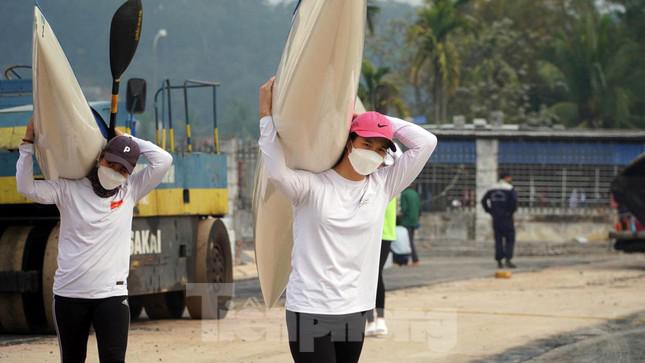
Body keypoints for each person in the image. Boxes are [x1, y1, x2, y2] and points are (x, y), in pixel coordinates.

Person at [258, 77, 437, 363]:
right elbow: (277, 173)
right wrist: (266, 119)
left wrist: (371, 119)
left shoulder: (383, 186)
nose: (374, 154)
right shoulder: (311, 187)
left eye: (381, 149)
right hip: (309, 309)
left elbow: (426, 142)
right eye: (367, 143)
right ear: (349, 141)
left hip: (354, 310)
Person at [17, 119, 173, 363]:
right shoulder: (68, 190)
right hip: (69, 295)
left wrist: (129, 141)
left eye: (122, 170)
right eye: (111, 163)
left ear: (130, 173)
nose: (115, 172)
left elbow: (164, 160)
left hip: (111, 296)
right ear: (100, 158)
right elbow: (25, 187)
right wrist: (27, 143)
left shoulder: (131, 190)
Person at [365, 198, 396, 337]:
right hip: (365, 233)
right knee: (365, 276)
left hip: (384, 234)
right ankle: (370, 319)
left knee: (376, 274)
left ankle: (380, 318)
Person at [481, 172, 518, 269]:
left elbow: (483, 200)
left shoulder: (492, 188)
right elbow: (514, 202)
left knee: (498, 239)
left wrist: (489, 211)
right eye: (510, 177)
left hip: (496, 218)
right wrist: (511, 212)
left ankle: (499, 261)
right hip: (507, 217)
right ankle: (508, 259)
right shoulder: (509, 188)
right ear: (507, 177)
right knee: (510, 239)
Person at [400, 185, 421, 265]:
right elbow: (419, 208)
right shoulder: (415, 194)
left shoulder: (404, 194)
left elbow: (403, 208)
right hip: (414, 220)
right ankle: (410, 260)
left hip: (406, 221)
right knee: (410, 240)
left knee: (408, 241)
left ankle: (414, 259)